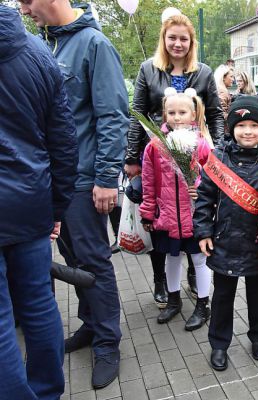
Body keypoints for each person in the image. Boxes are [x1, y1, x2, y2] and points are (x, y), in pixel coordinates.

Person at [19, 0, 130, 388]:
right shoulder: (45, 44)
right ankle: (90, 326)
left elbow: (113, 115)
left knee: (94, 261)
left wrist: (105, 178)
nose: (24, 9)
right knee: (71, 259)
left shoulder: (94, 44)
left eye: (27, 1)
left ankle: (108, 343)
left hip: (85, 182)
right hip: (53, 181)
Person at [0, 7, 78, 399]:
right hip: (30, 202)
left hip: (29, 205)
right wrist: (56, 207)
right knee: (38, 303)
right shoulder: (37, 52)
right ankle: (47, 392)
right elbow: (63, 141)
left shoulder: (36, 51)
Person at [125, 14, 224, 307]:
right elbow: (139, 114)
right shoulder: (148, 69)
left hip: (194, 156)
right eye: (172, 38)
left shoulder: (203, 72)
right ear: (164, 40)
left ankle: (195, 276)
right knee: (160, 218)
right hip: (157, 157)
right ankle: (161, 282)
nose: (178, 43)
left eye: (184, 38)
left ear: (191, 42)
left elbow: (216, 114)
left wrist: (216, 150)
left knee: (193, 218)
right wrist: (132, 157)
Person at [194, 96, 258, 371]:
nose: (247, 131)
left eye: (254, 125)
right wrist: (204, 230)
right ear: (231, 128)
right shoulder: (217, 157)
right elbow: (205, 198)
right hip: (224, 239)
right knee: (222, 297)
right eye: (241, 125)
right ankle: (219, 344)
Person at [139, 89, 213, 331]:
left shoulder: (201, 143)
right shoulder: (155, 145)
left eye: (182, 112)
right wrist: (148, 211)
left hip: (194, 217)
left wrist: (199, 188)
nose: (177, 117)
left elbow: (212, 176)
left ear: (193, 115)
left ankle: (203, 304)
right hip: (167, 217)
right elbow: (148, 180)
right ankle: (173, 299)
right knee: (172, 258)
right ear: (164, 114)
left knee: (199, 260)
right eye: (171, 112)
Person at [214, 64, 235, 133]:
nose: (233, 79)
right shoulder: (222, 91)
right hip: (223, 131)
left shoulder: (219, 89)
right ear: (223, 77)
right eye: (231, 77)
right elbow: (221, 113)